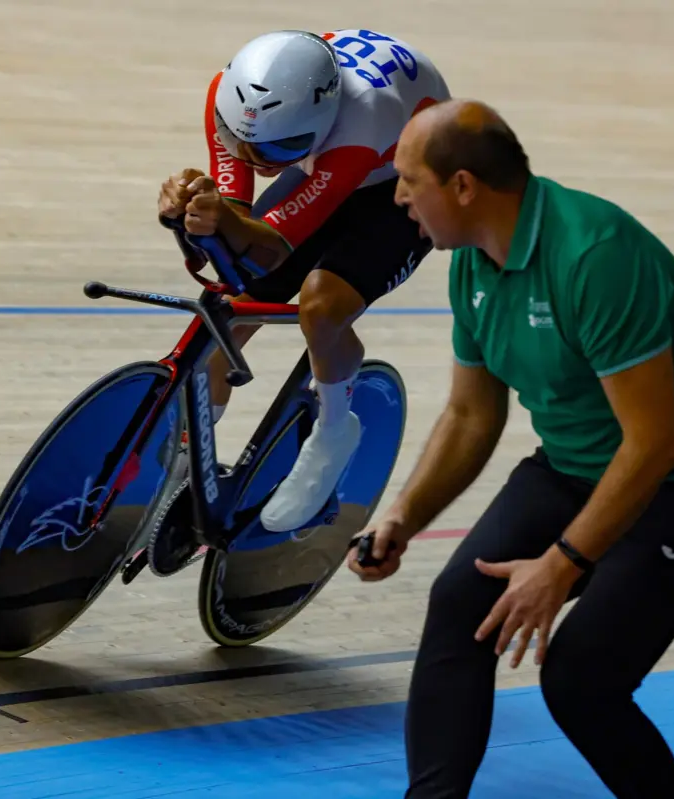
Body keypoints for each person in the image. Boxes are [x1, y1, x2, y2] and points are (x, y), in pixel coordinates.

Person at [347, 99, 674, 798]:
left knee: (581, 680)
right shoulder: (472, 264)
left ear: (462, 186)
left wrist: (562, 563)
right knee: (461, 602)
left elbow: (657, 443)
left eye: (407, 179)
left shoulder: (594, 256)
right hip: (582, 464)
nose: (397, 197)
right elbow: (468, 415)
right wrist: (402, 517)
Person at [152, 29, 451, 570]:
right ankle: (184, 454)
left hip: (408, 180)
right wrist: (192, 214)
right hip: (327, 158)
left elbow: (272, 246)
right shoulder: (235, 102)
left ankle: (336, 428)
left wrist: (224, 224)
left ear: (321, 123)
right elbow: (233, 234)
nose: (257, 159)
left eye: (278, 151)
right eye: (244, 145)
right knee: (232, 297)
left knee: (321, 304)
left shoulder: (361, 122)